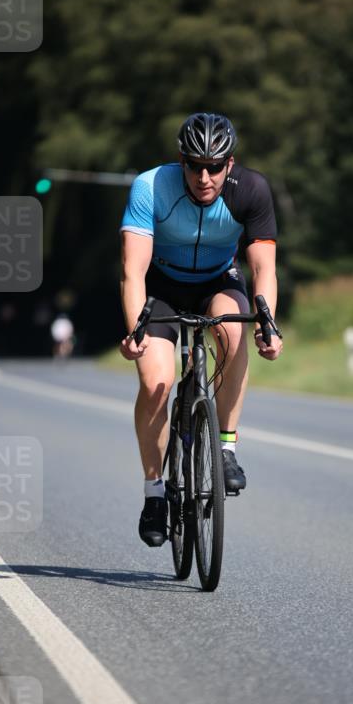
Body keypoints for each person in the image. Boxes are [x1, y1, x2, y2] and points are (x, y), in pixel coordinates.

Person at [119, 112, 283, 547]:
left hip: (218, 279)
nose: (204, 176)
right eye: (195, 165)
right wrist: (136, 328)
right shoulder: (151, 186)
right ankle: (155, 492)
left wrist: (268, 323)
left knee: (233, 334)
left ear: (232, 162)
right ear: (182, 161)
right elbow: (132, 270)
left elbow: (264, 267)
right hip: (163, 286)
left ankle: (226, 448)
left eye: (215, 165)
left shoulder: (252, 190)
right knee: (157, 383)